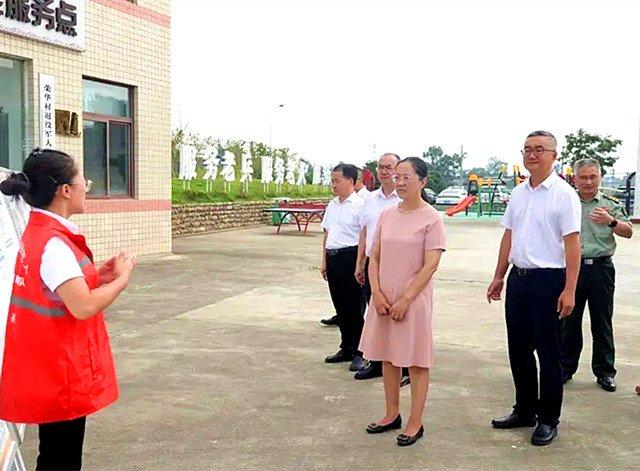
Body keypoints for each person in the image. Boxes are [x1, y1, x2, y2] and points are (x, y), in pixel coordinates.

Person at [0, 149, 136, 470]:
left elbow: (60, 289)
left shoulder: (41, 232)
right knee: (61, 458)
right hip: (60, 375)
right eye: (82, 181)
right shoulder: (54, 244)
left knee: (55, 453)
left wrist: (99, 274)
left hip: (49, 369)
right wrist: (122, 279)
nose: (85, 187)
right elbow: (83, 306)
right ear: (64, 191)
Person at [487, 131, 581, 446]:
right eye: (527, 149)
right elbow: (508, 236)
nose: (532, 154)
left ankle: (548, 418)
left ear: (554, 155)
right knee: (519, 351)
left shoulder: (564, 194)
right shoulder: (518, 193)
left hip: (549, 282)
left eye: (539, 149)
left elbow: (572, 246)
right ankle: (524, 409)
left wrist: (570, 289)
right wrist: (499, 275)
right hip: (519, 280)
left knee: (549, 352)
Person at [359, 157, 445, 447]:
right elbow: (375, 257)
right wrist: (378, 294)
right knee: (388, 356)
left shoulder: (432, 218)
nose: (401, 182)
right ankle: (391, 412)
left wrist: (406, 298)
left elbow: (430, 265)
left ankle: (415, 421)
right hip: (384, 299)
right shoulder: (386, 215)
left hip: (413, 301)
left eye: (407, 177)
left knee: (417, 361)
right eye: (398, 177)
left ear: (423, 181)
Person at [560, 158, 633, 392]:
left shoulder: (609, 203)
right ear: (575, 178)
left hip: (601, 268)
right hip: (573, 268)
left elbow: (628, 231)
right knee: (568, 320)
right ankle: (565, 368)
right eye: (583, 177)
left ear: (600, 177)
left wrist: (610, 221)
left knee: (602, 321)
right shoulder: (567, 201)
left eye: (593, 176)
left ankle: (605, 372)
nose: (588, 181)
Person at [353, 153, 403, 382]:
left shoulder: (404, 199)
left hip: (397, 265)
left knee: (398, 314)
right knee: (375, 313)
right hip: (373, 263)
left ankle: (401, 364)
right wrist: (359, 263)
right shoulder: (369, 200)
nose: (384, 171)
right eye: (380, 167)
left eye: (389, 167)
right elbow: (364, 233)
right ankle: (376, 362)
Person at [321, 164, 367, 372]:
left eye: (337, 181)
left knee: (354, 308)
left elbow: (364, 237)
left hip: (351, 257)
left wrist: (360, 264)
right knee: (340, 306)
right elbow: (326, 233)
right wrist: (324, 261)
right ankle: (346, 347)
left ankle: (360, 352)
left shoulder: (360, 205)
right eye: (332, 181)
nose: (334, 185)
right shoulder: (332, 205)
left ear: (351, 181)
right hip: (333, 258)